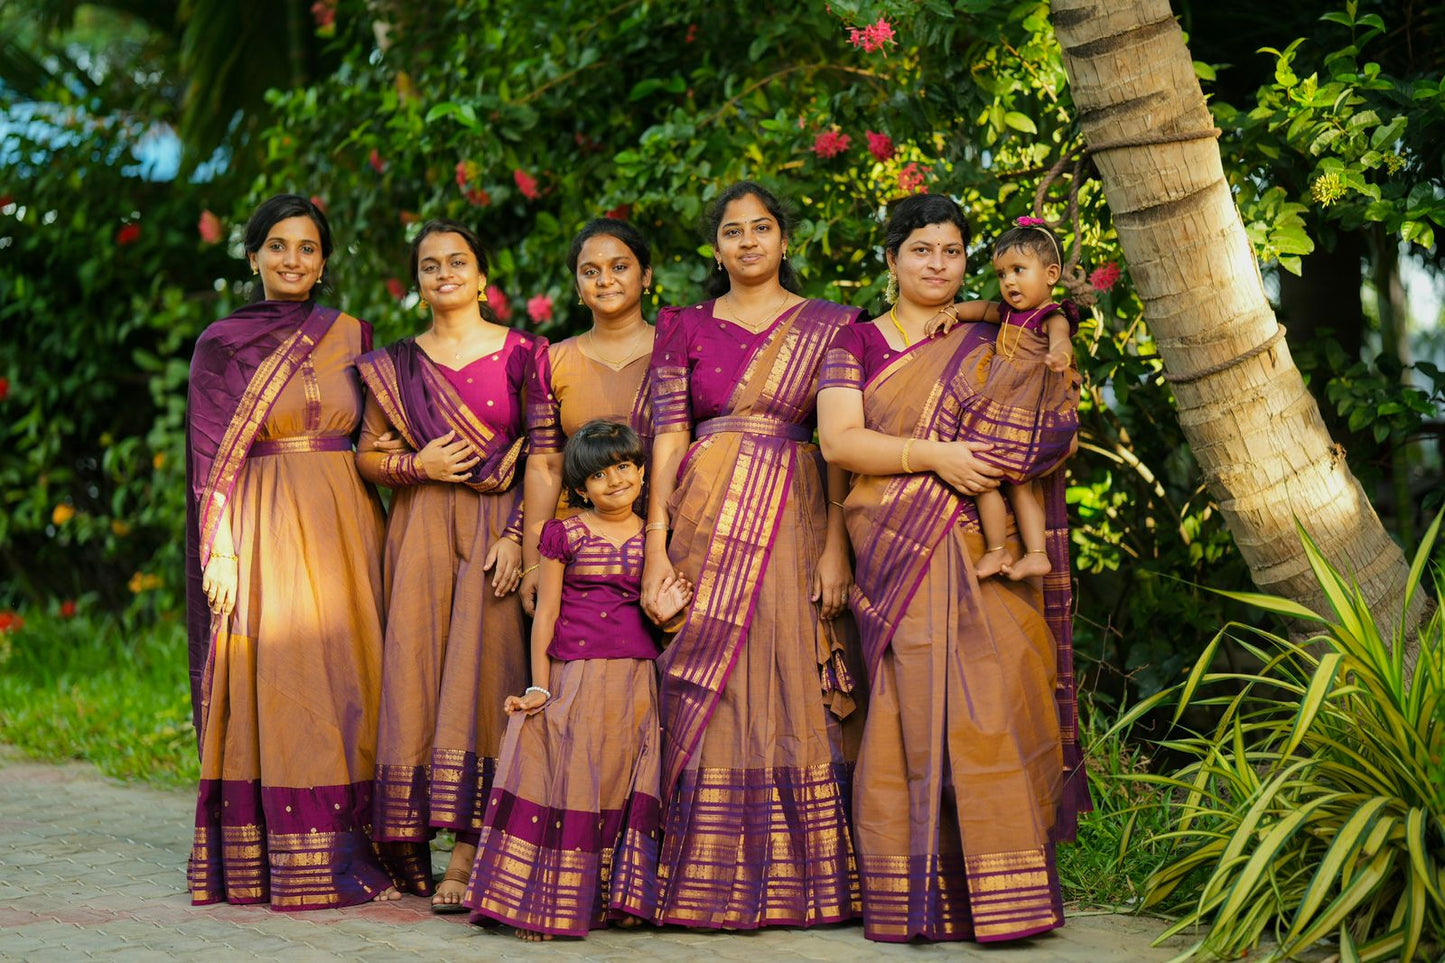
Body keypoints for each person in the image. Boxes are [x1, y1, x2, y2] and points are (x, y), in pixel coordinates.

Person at [816, 193, 1091, 943]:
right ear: (891, 259)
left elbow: (1048, 419)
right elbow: (840, 442)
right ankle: (914, 896)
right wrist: (936, 456)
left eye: (950, 251)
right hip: (894, 543)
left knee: (995, 695)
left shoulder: (1000, 332)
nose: (937, 264)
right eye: (920, 250)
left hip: (984, 543)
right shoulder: (856, 342)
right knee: (911, 707)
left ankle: (1003, 896)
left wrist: (1021, 441)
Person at [636, 180, 862, 929]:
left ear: (785, 241)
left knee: (793, 666)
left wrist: (835, 542)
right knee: (709, 672)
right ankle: (701, 877)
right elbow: (668, 435)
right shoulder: (684, 326)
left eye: (760, 228)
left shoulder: (830, 325)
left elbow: (837, 448)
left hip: (796, 510)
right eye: (732, 231)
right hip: (702, 514)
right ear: (715, 248)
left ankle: (807, 882)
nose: (747, 241)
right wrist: (655, 545)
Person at [185, 193, 402, 909]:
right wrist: (219, 548)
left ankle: (363, 848)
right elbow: (209, 458)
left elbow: (379, 435)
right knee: (283, 678)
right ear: (252, 257)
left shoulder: (350, 331)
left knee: (353, 676)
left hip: (346, 524)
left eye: (307, 248)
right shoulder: (223, 342)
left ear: (323, 262)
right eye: (277, 246)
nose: (292, 259)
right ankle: (279, 858)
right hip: (264, 521)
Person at [355, 219, 542, 911]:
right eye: (429, 265)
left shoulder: (525, 353)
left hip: (497, 531)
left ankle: (469, 845)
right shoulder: (396, 364)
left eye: (457, 261)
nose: (444, 274)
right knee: (417, 669)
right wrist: (417, 463)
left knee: (488, 671)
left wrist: (520, 538)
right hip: (423, 523)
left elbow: (543, 457)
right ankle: (409, 842)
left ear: (482, 275)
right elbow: (366, 454)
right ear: (417, 282)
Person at [465, 420, 692, 940]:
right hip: (575, 674)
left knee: (621, 778)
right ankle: (546, 901)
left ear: (641, 471)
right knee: (568, 775)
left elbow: (665, 609)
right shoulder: (563, 533)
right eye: (598, 475)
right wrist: (541, 687)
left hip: (636, 678)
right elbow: (544, 615)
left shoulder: (659, 538)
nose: (615, 480)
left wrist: (673, 612)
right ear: (579, 487)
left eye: (624, 467)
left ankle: (619, 898)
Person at [519, 218, 657, 617]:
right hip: (583, 557)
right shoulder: (553, 360)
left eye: (619, 267)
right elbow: (546, 465)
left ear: (645, 276)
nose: (605, 280)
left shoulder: (676, 347)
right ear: (578, 286)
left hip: (662, 539)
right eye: (590, 271)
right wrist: (533, 561)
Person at [959, 217, 1080, 580]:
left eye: (1018, 270)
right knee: (995, 480)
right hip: (1001, 410)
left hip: (1026, 415)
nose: (1008, 281)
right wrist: (950, 312)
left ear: (1051, 273)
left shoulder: (1050, 315)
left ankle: (1023, 552)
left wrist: (1059, 354)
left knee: (1001, 480)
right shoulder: (1009, 312)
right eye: (1001, 273)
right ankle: (1013, 552)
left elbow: (1061, 338)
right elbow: (980, 309)